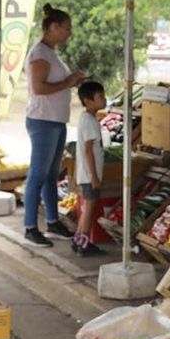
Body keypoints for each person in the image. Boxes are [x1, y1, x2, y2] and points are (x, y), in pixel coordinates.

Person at [23, 3, 86, 248]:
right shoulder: (39, 54)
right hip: (43, 120)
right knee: (38, 174)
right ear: (54, 27)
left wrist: (73, 81)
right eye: (66, 28)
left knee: (50, 175)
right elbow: (39, 89)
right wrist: (69, 81)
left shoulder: (50, 52)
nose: (69, 33)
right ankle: (30, 226)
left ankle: (52, 221)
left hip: (56, 120)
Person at [73, 80, 108, 256]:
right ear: (88, 101)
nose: (104, 100)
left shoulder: (88, 118)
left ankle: (78, 240)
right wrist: (94, 176)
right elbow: (88, 151)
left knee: (87, 208)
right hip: (89, 174)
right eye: (100, 97)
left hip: (87, 173)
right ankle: (84, 244)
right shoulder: (89, 121)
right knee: (89, 208)